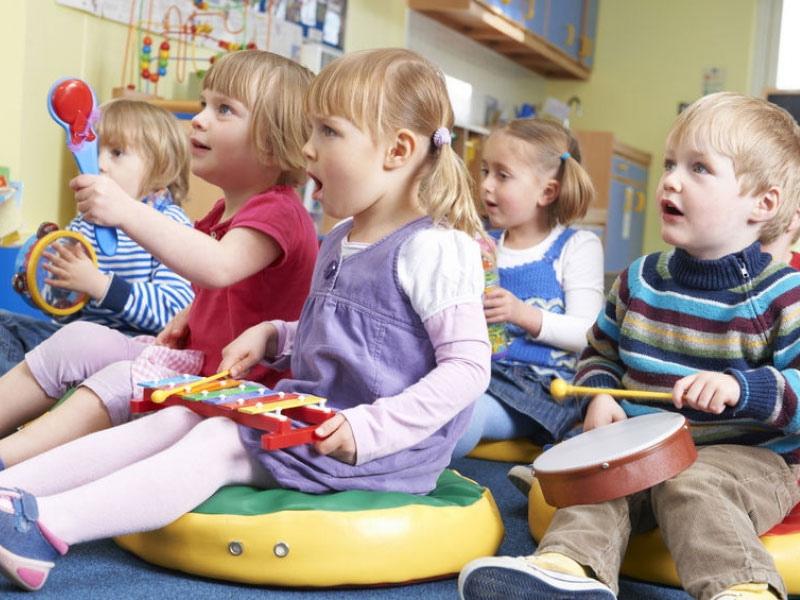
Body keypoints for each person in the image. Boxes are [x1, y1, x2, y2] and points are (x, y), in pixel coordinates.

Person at [0, 47, 490, 593]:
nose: (307, 148)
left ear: (397, 150)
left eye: (328, 132)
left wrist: (367, 430)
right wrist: (277, 335)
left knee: (218, 442)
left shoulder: (436, 248)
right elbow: (351, 333)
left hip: (379, 449)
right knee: (178, 419)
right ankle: (12, 491)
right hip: (313, 414)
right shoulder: (340, 239)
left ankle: (47, 528)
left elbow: (468, 368)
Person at [459, 91, 800, 600]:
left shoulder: (784, 295)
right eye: (671, 163)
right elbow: (600, 352)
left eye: (699, 168)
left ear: (763, 204)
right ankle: (568, 571)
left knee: (693, 483)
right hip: (644, 450)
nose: (671, 180)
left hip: (750, 461)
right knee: (602, 479)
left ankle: (743, 589)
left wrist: (740, 388)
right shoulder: (639, 279)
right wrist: (599, 393)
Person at [0, 50, 319, 470]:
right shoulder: (223, 212)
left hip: (239, 390)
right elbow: (230, 288)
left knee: (122, 380)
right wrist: (190, 313)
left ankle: (8, 461)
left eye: (224, 109)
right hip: (195, 365)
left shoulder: (280, 210)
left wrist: (125, 210)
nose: (199, 119)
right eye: (203, 104)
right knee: (79, 339)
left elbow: (219, 266)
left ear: (274, 145)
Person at [0, 99, 195, 376]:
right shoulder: (84, 222)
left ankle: (36, 388)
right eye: (94, 151)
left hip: (133, 350)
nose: (98, 164)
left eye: (116, 153)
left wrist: (100, 285)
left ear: (161, 167)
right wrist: (52, 287)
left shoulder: (170, 224)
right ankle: (24, 392)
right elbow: (63, 311)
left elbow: (173, 313)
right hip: (73, 341)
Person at [451, 118, 603, 468]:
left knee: (461, 413)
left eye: (502, 175)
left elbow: (588, 333)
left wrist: (523, 314)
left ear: (547, 192)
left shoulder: (576, 246)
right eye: (485, 171)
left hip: (540, 387)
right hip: (479, 371)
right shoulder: (482, 243)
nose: (486, 185)